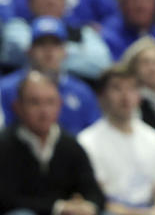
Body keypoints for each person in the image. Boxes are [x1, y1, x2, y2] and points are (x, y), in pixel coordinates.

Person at [78, 65, 155, 215]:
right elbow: (95, 197)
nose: (125, 96)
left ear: (139, 96)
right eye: (117, 88)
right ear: (102, 96)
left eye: (132, 89)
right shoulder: (86, 142)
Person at [0, 71, 105, 215]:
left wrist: (89, 206)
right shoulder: (4, 144)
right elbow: (6, 199)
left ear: (60, 105)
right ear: (18, 107)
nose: (44, 111)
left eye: (50, 102)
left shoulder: (70, 144)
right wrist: (58, 208)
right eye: (34, 102)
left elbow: (93, 192)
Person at [1, 0, 112, 80]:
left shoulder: (83, 33)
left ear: (65, 0)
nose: (50, 0)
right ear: (29, 0)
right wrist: (80, 52)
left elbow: (101, 63)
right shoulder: (16, 26)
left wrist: (44, 54)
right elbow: (19, 49)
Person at [0, 17, 101, 134]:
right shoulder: (5, 89)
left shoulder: (83, 93)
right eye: (41, 44)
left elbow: (93, 133)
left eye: (55, 44)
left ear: (65, 52)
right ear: (29, 51)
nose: (49, 50)